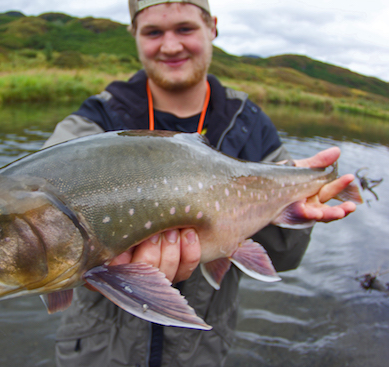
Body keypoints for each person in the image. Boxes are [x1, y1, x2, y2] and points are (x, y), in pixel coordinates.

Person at [43, 1, 357, 366]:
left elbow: (284, 256)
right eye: (154, 32)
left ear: (213, 28)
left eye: (185, 28)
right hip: (97, 349)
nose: (171, 45)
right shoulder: (97, 119)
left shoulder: (250, 124)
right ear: (134, 36)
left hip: (201, 349)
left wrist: (291, 204)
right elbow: (42, 189)